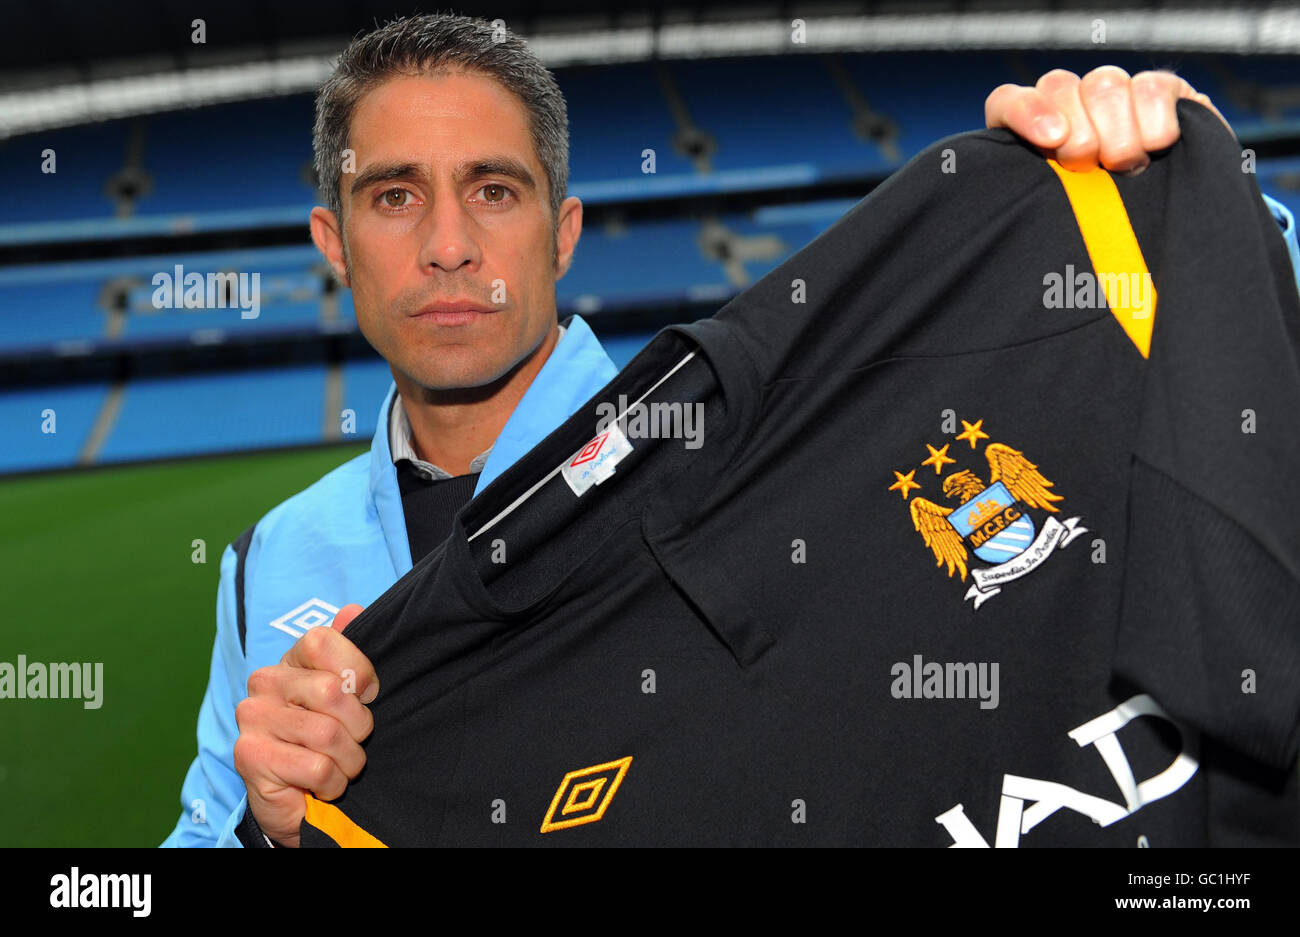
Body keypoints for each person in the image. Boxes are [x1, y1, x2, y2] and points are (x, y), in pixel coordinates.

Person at [159, 12, 1300, 848]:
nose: (448, 242)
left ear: (562, 235)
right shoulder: (271, 564)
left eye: (494, 191)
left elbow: (1225, 352)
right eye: (395, 195)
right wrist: (267, 824)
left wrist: (1172, 196)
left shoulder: (761, 443)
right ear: (331, 240)